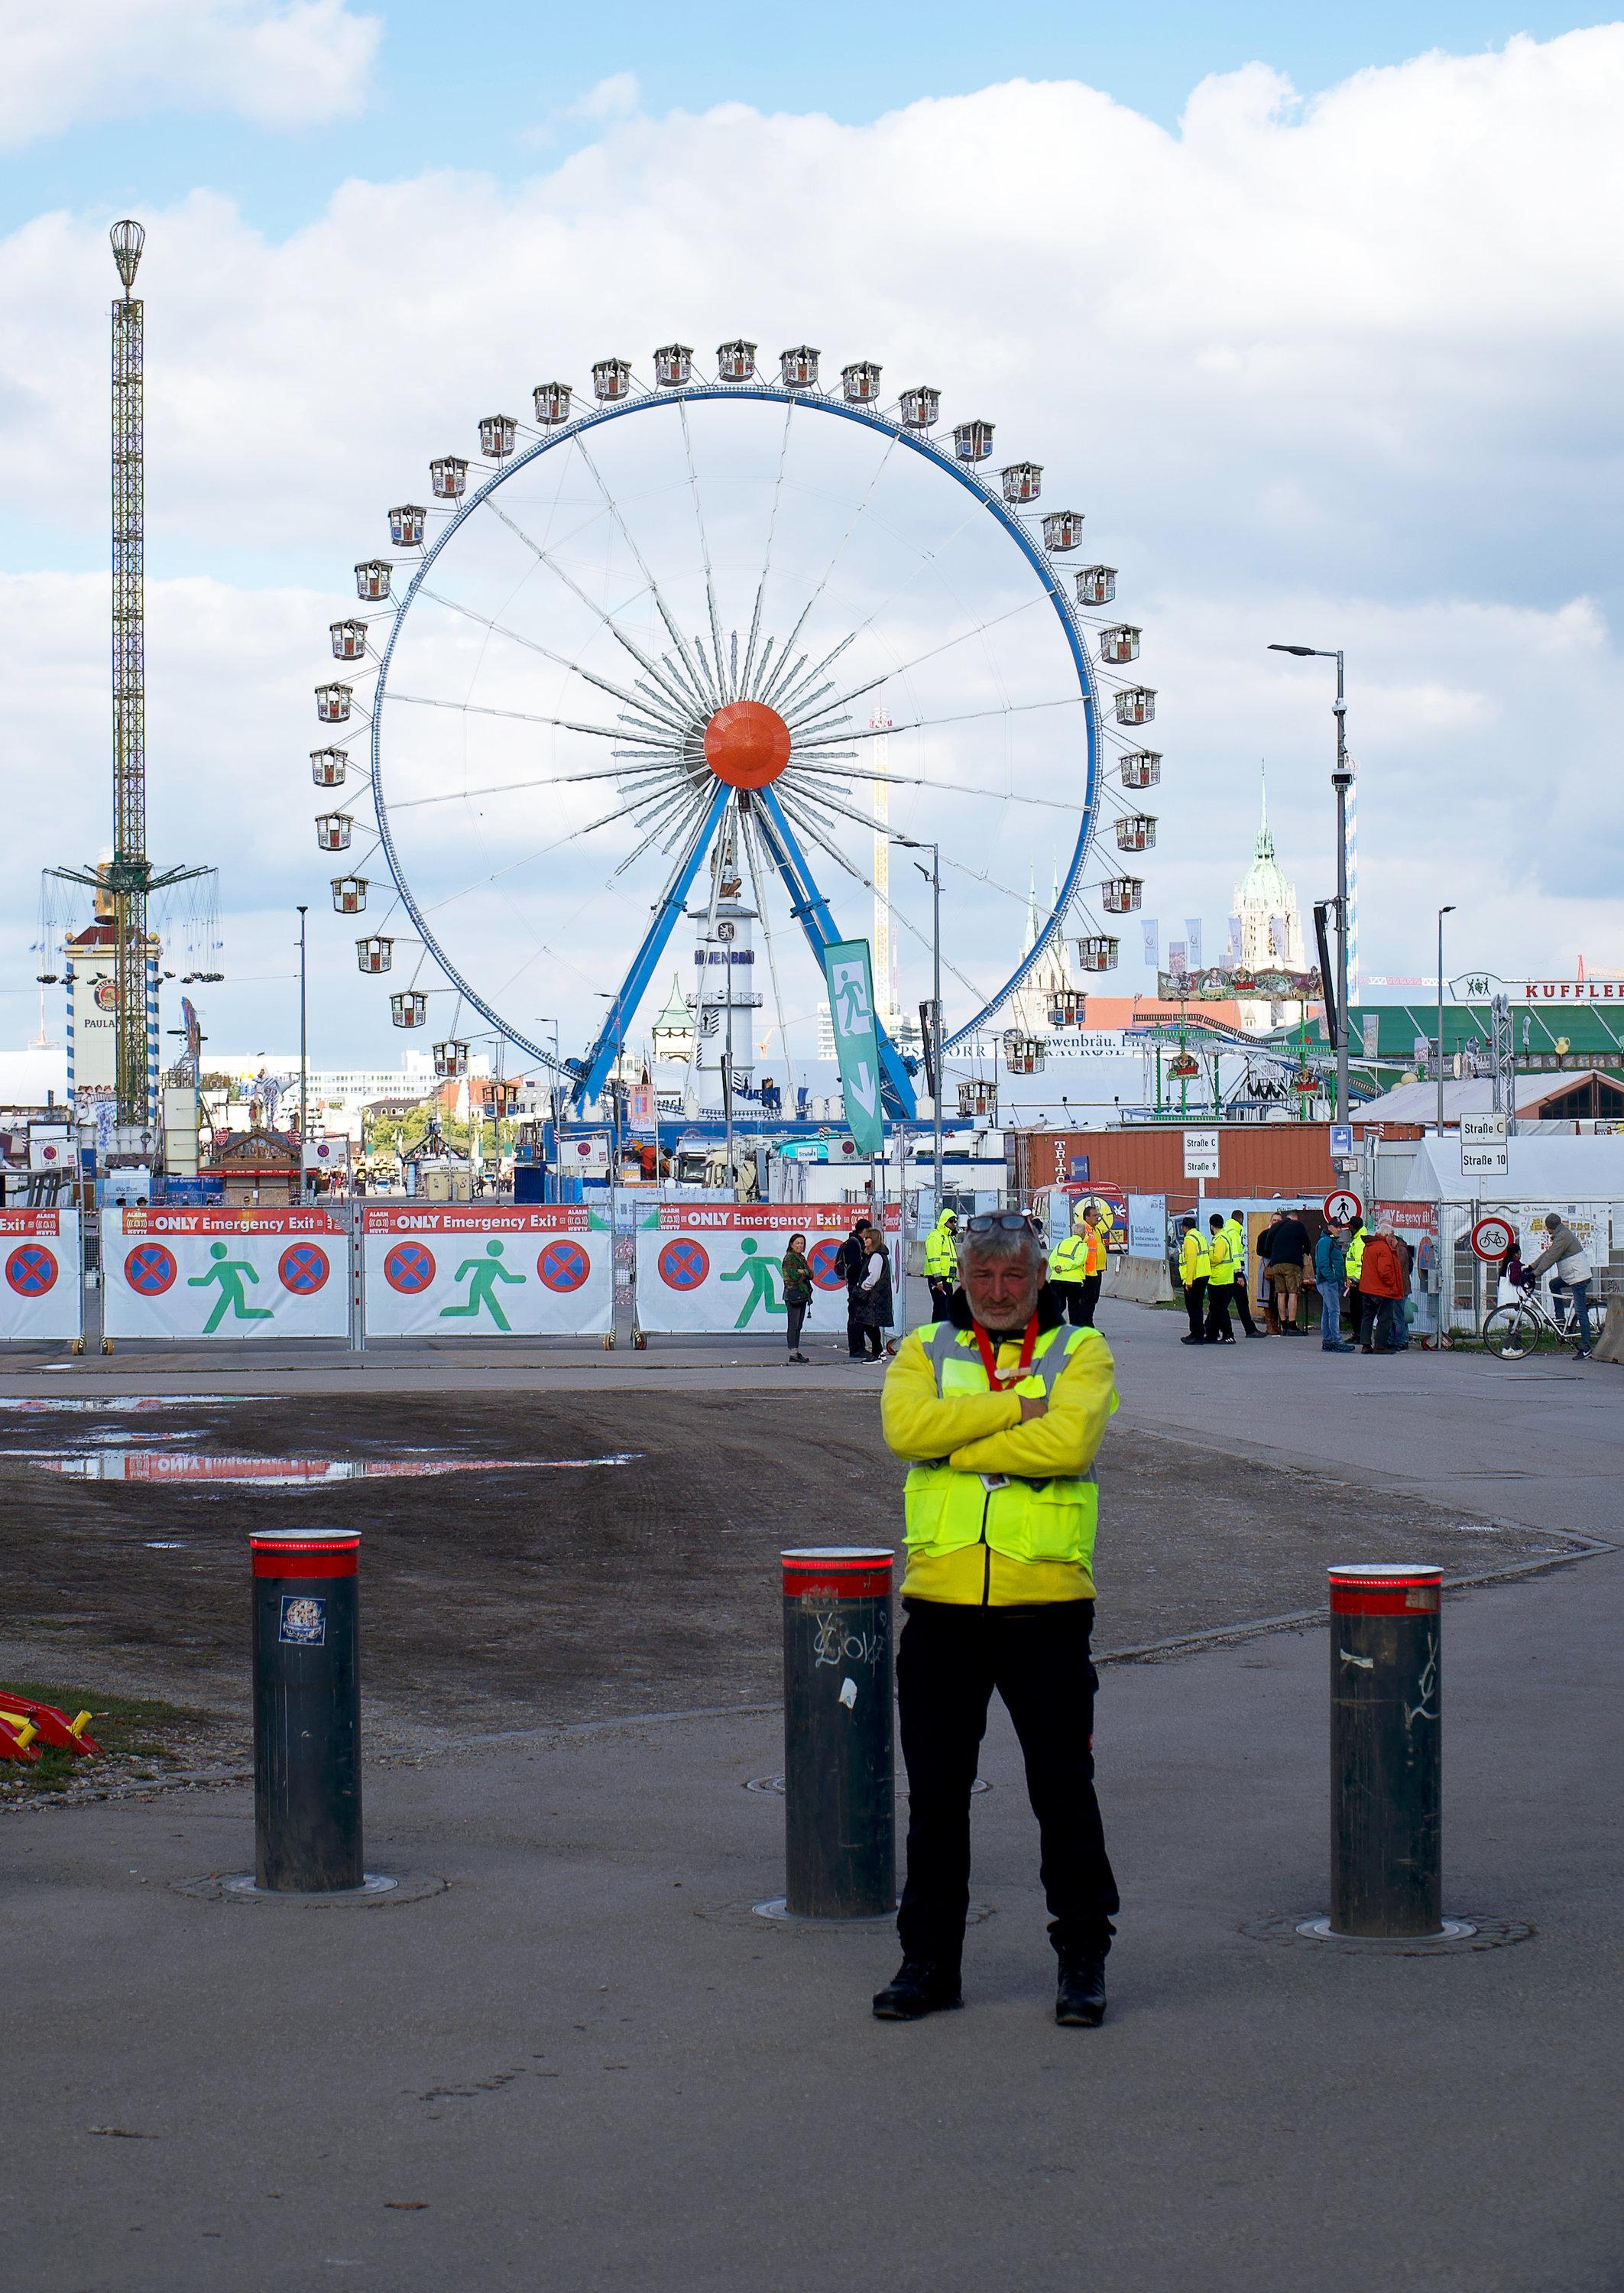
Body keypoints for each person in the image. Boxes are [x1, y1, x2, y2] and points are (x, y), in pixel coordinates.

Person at [876, 1211, 1120, 2027]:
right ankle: (928, 1963)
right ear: (961, 1278)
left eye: (1013, 1277)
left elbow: (1070, 1446)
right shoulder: (925, 1348)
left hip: (1045, 1606)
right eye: (982, 1277)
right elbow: (905, 1430)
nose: (998, 1293)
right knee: (936, 1799)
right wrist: (1018, 1412)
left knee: (1062, 1790)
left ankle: (1082, 1958)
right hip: (941, 1608)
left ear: (1039, 1278)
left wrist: (961, 1443)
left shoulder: (1080, 1350)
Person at [1522, 1213, 1595, 1359]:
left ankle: (1586, 1347)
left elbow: (1551, 1257)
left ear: (1549, 1227)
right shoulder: (1561, 1234)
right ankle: (1560, 1318)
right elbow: (1547, 1254)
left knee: (1581, 1312)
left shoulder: (1562, 1237)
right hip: (1572, 1275)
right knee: (1553, 1284)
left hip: (1578, 1277)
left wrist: (1535, 1274)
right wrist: (1531, 1267)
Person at [1355, 1221, 1406, 1352]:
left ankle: (1366, 1345)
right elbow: (1385, 1271)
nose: (1394, 1238)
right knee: (1385, 1318)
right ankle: (1380, 1346)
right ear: (1387, 1235)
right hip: (1381, 1290)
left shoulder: (1370, 1246)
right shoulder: (1384, 1248)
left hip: (1366, 1288)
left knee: (1368, 1316)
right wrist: (1391, 1283)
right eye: (1393, 1235)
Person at [1263, 1207, 1313, 1332]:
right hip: (1292, 1264)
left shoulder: (1276, 1227)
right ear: (1295, 1218)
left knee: (1281, 1293)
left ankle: (1283, 1323)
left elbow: (1267, 1246)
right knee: (1293, 1293)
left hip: (1276, 1264)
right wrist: (1303, 1252)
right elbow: (1307, 1244)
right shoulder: (1298, 1225)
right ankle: (1292, 1324)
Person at [850, 1222, 893, 1361]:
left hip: (873, 1297)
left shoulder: (876, 1257)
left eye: (867, 1238)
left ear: (873, 1240)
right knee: (870, 1324)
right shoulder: (877, 1256)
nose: (865, 1240)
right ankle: (878, 1352)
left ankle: (877, 1352)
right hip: (877, 1296)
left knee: (869, 1324)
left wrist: (862, 1287)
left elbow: (873, 1277)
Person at [1314, 1219, 1354, 1351]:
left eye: (1340, 1227)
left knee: (1328, 1312)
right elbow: (1323, 1263)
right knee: (1334, 1311)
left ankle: (1328, 1340)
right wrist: (1332, 1279)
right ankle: (1335, 1340)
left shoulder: (1329, 1241)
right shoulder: (1326, 1242)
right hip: (1328, 1282)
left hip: (1328, 1281)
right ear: (1330, 1227)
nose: (1339, 1230)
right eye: (1337, 1227)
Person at [1224, 1211, 1263, 1337]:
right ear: (1240, 1219)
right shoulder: (1234, 1233)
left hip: (1228, 1273)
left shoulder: (1228, 1230)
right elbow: (1235, 1255)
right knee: (1241, 1302)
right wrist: (1239, 1275)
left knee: (1222, 1303)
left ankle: (1208, 1328)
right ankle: (1250, 1330)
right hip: (1235, 1273)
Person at [837, 1217, 870, 1361]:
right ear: (865, 1231)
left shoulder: (854, 1242)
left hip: (855, 1283)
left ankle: (859, 1347)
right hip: (856, 1284)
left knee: (858, 1316)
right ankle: (856, 1348)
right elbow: (855, 1265)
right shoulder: (854, 1244)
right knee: (856, 1316)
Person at [1204, 1212, 1237, 1343]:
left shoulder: (1221, 1239)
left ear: (1212, 1226)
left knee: (1220, 1309)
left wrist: (1205, 1259)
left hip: (1221, 1279)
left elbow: (1217, 1258)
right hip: (1219, 1279)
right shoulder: (1220, 1237)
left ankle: (1228, 1335)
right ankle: (1212, 1334)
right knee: (1215, 1309)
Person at [780, 1233, 812, 1364]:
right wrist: (804, 1272)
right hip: (793, 1294)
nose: (800, 1245)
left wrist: (803, 1272)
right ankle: (793, 1352)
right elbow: (792, 1276)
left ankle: (796, 1351)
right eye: (797, 1243)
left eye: (802, 1243)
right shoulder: (789, 1258)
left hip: (802, 1294)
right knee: (793, 1324)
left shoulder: (801, 1258)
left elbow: (811, 1274)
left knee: (798, 1324)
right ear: (791, 1244)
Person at [1178, 1215, 1209, 1344]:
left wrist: (1188, 1281)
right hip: (1204, 1274)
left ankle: (1196, 1334)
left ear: (1184, 1227)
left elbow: (1191, 1261)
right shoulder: (1200, 1237)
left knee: (1193, 1307)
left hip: (1195, 1276)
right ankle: (1199, 1333)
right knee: (1198, 1306)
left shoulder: (1189, 1239)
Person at [923, 1208, 959, 1320]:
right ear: (945, 1222)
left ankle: (936, 1335)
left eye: (955, 1221)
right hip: (938, 1280)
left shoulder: (949, 1238)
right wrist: (938, 1280)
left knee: (942, 1310)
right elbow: (934, 1260)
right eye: (951, 1221)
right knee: (943, 1311)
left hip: (947, 1280)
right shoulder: (936, 1237)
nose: (953, 1224)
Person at [1343, 1215, 1367, 1341]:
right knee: (1356, 1308)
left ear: (1352, 1227)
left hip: (1357, 1282)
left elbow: (1360, 1263)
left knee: (1357, 1308)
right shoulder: (1357, 1239)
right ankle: (1357, 1333)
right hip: (1354, 1280)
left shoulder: (1360, 1241)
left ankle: (1359, 1334)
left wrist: (1355, 1280)